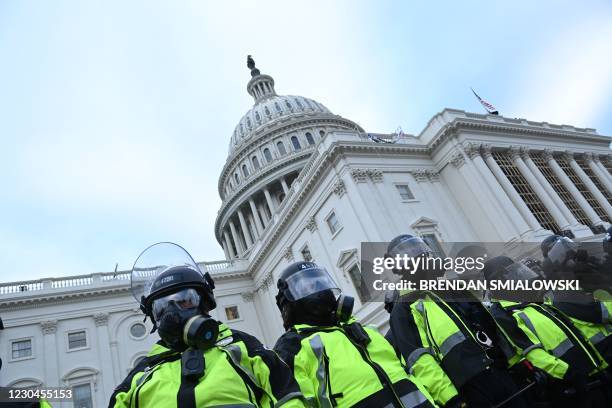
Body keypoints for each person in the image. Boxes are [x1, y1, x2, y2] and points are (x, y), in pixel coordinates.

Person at [110, 242, 305, 408]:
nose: (171, 314)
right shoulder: (141, 375)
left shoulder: (244, 348)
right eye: (160, 308)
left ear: (205, 303)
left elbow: (289, 399)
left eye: (184, 299)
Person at [387, 235, 529, 408]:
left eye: (420, 249)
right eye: (410, 253)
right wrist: (451, 399)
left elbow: (491, 325)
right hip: (468, 388)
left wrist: (516, 361)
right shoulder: (403, 309)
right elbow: (420, 361)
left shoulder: (454, 288)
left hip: (501, 370)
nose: (420, 256)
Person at [273, 261, 435, 408]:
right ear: (288, 303)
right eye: (308, 287)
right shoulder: (290, 348)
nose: (320, 291)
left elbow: (408, 376)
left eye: (321, 283)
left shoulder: (365, 331)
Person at [484, 255, 608, 408]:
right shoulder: (502, 314)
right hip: (570, 385)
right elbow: (532, 353)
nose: (519, 277)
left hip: (595, 370)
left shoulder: (529, 300)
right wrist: (569, 374)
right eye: (513, 274)